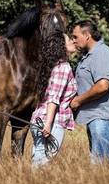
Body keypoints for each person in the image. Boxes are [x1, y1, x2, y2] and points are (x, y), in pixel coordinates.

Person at [69, 20, 109, 163]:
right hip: (96, 117)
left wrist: (77, 101)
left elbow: (102, 86)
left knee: (99, 167)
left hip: (103, 117)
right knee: (98, 164)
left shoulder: (101, 53)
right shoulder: (89, 56)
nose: (73, 40)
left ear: (87, 35)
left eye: (75, 37)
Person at [30, 33, 78, 167]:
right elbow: (53, 98)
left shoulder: (50, 66)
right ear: (61, 46)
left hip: (39, 118)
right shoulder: (63, 67)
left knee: (38, 159)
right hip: (52, 121)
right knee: (43, 163)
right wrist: (47, 124)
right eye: (69, 39)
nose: (73, 41)